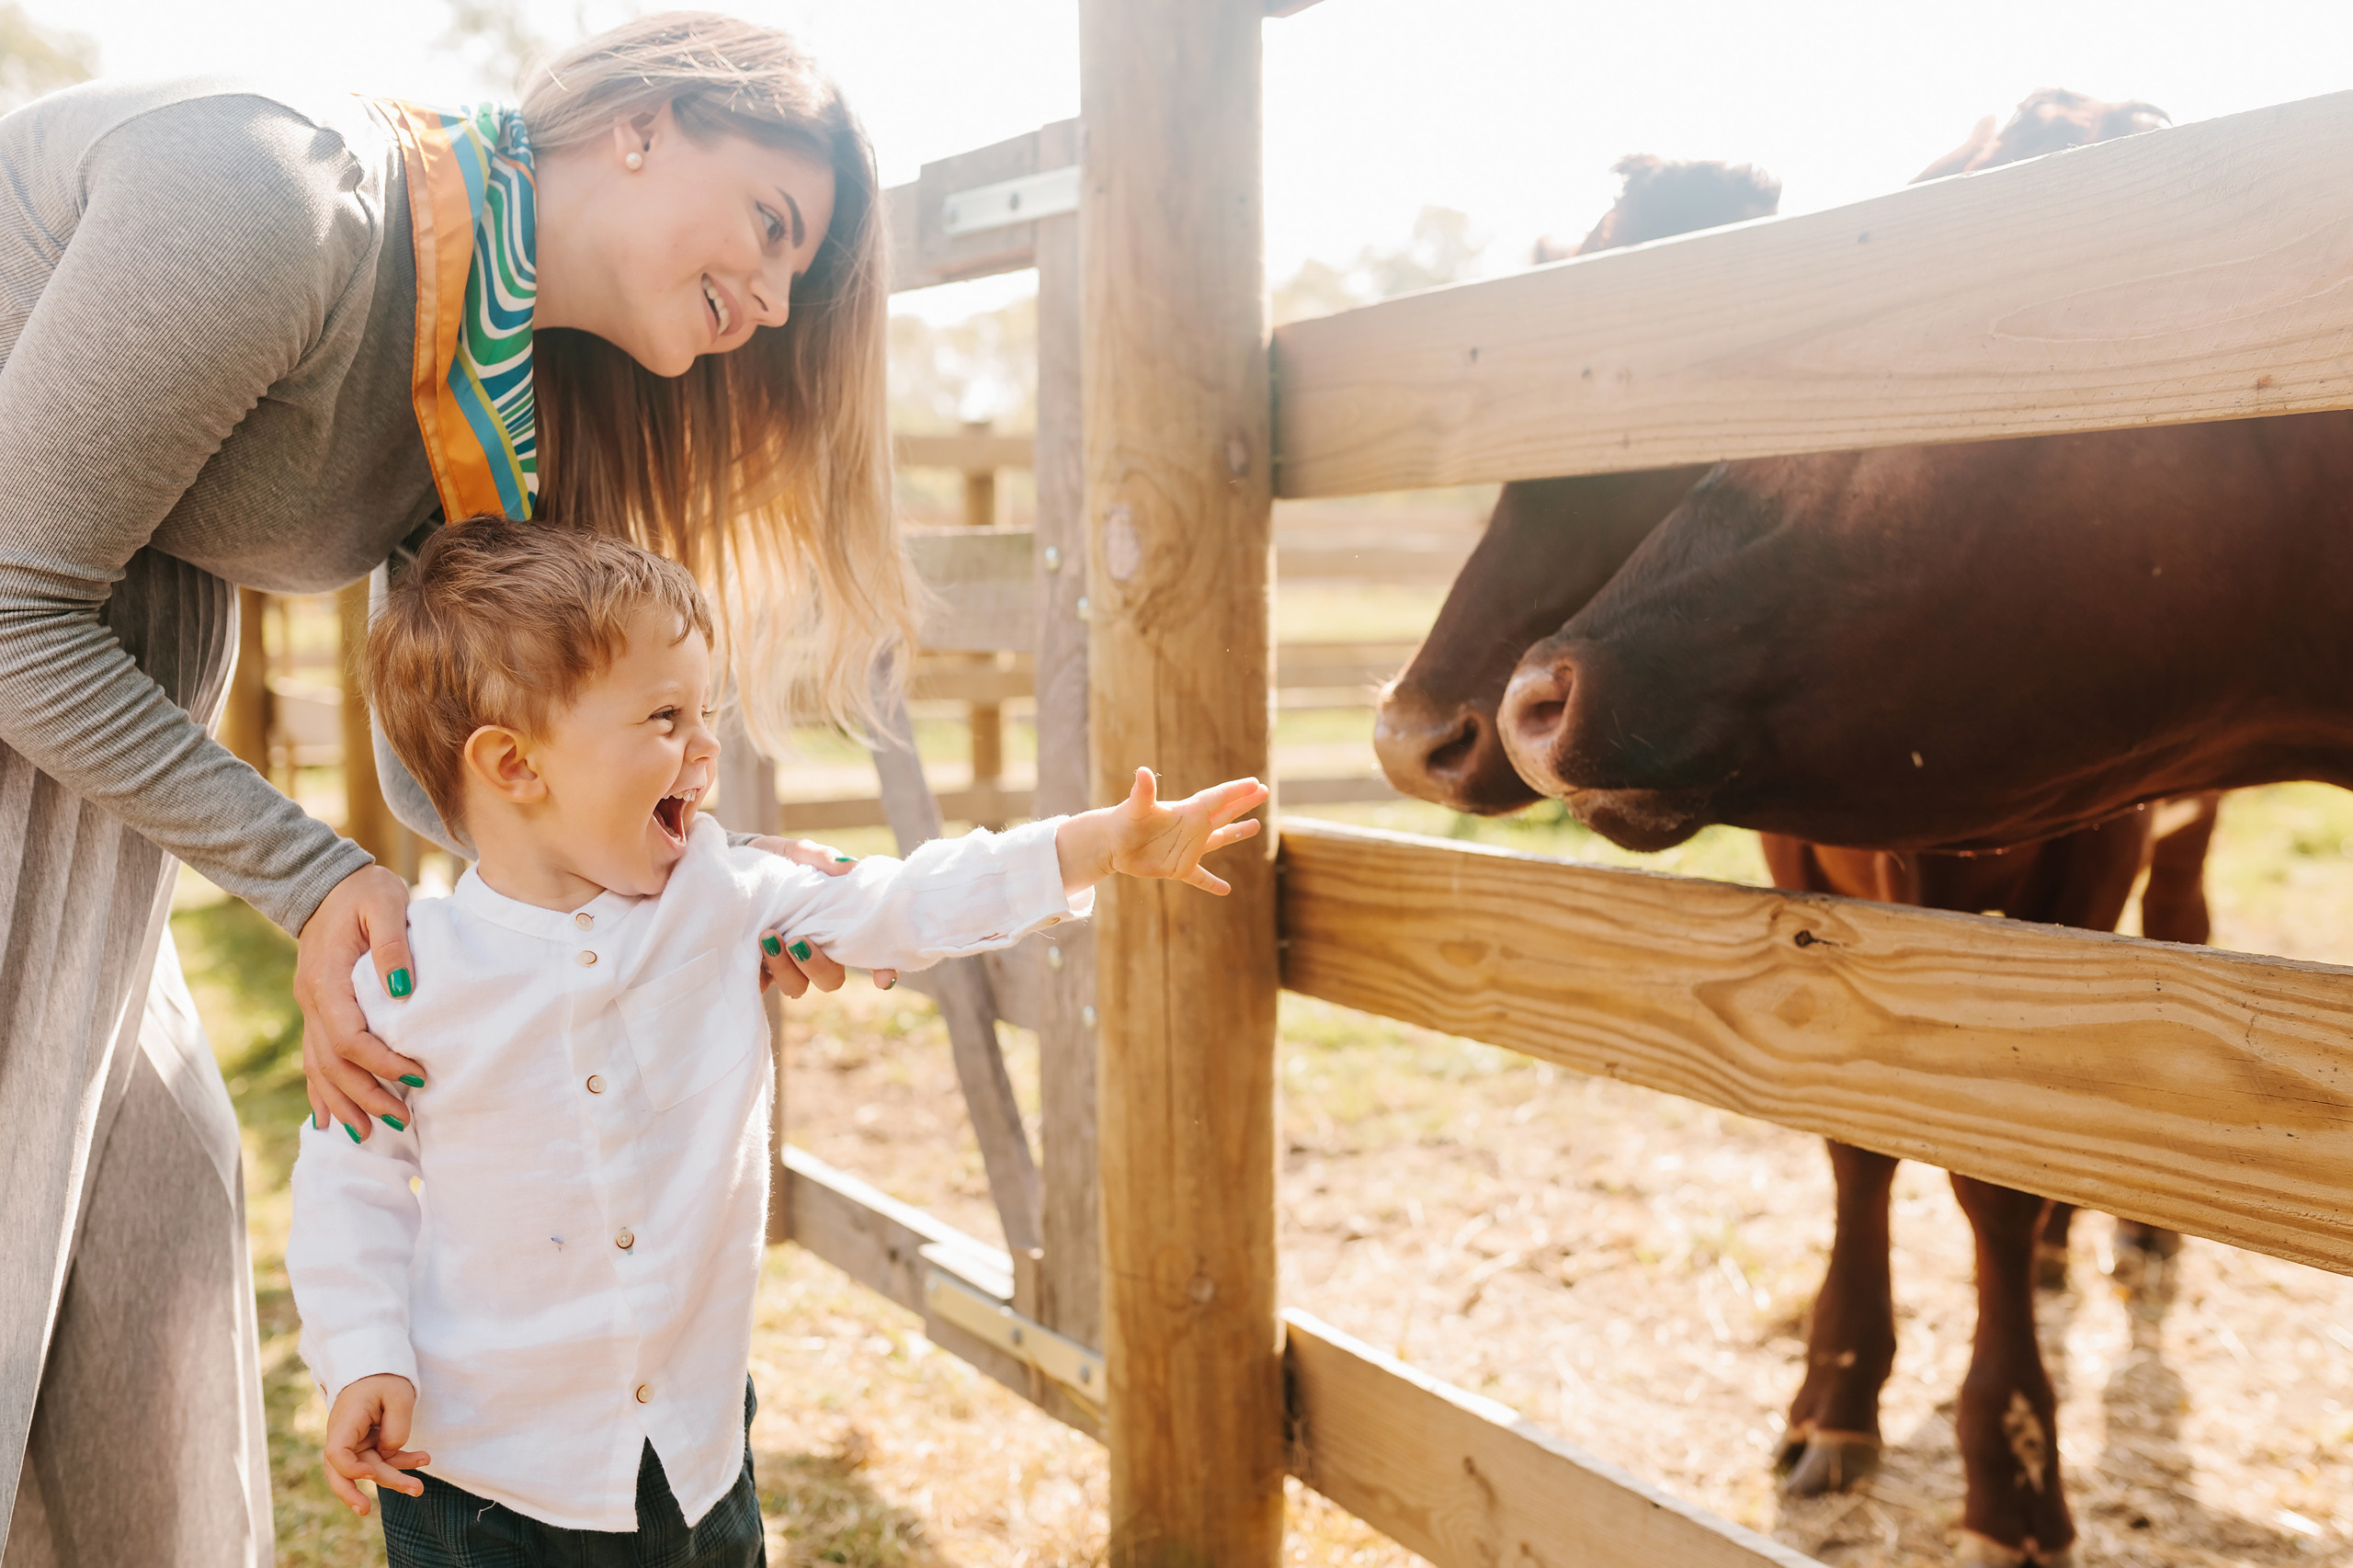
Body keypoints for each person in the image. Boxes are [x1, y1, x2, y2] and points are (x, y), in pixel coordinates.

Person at [0, 15, 927, 1561]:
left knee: (150, 1243)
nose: (769, 304)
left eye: (791, 285)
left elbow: (477, 782)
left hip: (88, 728)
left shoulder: (479, 378)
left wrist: (695, 880)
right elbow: (10, 597)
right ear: (639, 121)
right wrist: (309, 881)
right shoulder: (274, 190)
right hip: (37, 662)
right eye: (773, 227)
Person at [284, 520, 1266, 1562]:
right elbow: (350, 1189)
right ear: (514, 762)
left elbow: (900, 899)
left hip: (691, 1457)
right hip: (479, 1474)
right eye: (666, 716)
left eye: (706, 710)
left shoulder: (725, 894)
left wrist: (1091, 846)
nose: (707, 748)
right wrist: (360, 1356)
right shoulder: (405, 979)